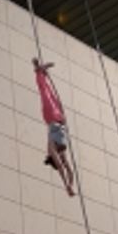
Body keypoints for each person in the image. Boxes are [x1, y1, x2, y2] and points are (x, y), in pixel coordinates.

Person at [33, 58, 76, 197]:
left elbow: (62, 170)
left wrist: (66, 185)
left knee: (45, 95)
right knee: (51, 95)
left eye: (59, 161)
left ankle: (38, 72)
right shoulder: (62, 152)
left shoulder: (52, 148)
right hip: (60, 119)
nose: (63, 162)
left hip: (51, 117)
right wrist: (70, 185)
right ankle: (41, 71)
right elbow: (70, 171)